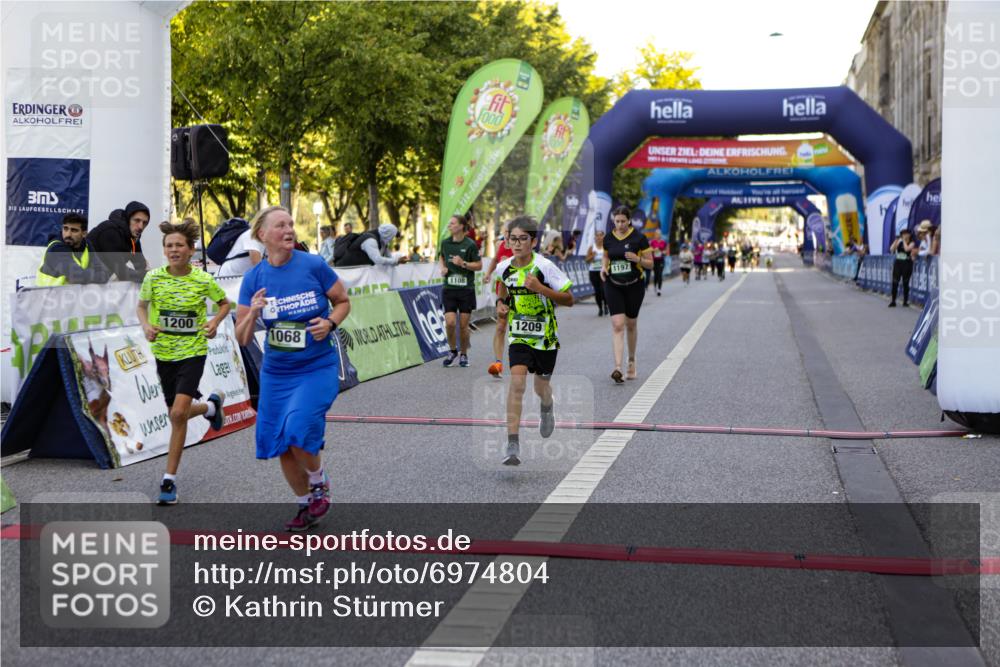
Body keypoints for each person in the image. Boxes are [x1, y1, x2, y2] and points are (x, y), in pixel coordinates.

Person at [234, 206, 351, 532]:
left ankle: (319, 482)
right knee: (280, 442)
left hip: (317, 365)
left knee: (298, 425)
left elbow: (343, 301)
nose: (289, 230)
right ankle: (306, 504)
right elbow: (241, 338)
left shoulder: (313, 265)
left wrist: (328, 323)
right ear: (262, 235)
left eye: (290, 224)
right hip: (277, 371)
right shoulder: (253, 279)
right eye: (280, 225)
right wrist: (253, 313)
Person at [137, 220, 230, 505]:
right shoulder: (153, 278)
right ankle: (210, 407)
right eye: (169, 246)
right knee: (176, 413)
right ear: (164, 251)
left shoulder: (203, 279)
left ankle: (169, 480)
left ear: (191, 250)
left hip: (192, 352)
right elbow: (141, 306)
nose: (174, 250)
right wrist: (146, 326)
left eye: (179, 245)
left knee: (177, 414)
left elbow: (225, 303)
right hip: (164, 354)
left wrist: (214, 322)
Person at [494, 216, 573, 465]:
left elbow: (568, 299)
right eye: (512, 238)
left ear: (534, 241)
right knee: (517, 384)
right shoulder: (504, 267)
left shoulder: (545, 267)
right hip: (519, 336)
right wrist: (501, 304)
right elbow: (503, 289)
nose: (516, 244)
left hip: (545, 338)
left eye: (522, 239)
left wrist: (541, 289)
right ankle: (512, 443)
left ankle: (547, 405)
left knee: (540, 388)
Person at [602, 206, 653, 384]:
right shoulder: (608, 237)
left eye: (624, 221)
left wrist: (638, 259)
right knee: (617, 324)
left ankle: (631, 361)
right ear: (613, 221)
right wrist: (604, 267)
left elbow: (650, 264)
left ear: (629, 220)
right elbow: (606, 256)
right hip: (613, 284)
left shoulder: (639, 238)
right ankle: (617, 367)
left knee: (631, 324)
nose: (620, 224)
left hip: (634, 285)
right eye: (617, 221)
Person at [438, 214, 482, 368]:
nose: (449, 225)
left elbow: (479, 265)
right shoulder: (445, 243)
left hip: (466, 290)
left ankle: (464, 354)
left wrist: (463, 263)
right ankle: (452, 350)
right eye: (449, 223)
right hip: (449, 289)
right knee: (450, 323)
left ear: (461, 226)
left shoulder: (470, 244)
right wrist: (442, 268)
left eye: (452, 223)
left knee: (463, 326)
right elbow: (441, 257)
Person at [35, 213, 110, 286]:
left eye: (74, 230)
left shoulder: (87, 245)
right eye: (65, 228)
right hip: (47, 295)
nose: (68, 234)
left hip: (70, 295)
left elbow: (104, 273)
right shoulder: (56, 248)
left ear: (84, 234)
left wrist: (88, 275)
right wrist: (94, 276)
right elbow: (76, 276)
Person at [89, 201, 150, 282]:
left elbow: (141, 265)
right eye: (137, 220)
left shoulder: (133, 238)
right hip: (78, 281)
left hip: (98, 283)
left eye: (145, 223)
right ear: (128, 219)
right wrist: (149, 277)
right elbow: (122, 273)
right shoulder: (110, 231)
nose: (141, 227)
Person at [484, 221, 515, 377]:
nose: (508, 234)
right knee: (501, 327)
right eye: (506, 231)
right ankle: (498, 364)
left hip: (518, 292)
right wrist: (488, 273)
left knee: (517, 330)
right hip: (502, 291)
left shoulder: (520, 247)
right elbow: (495, 260)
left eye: (510, 231)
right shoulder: (500, 244)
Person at [335, 223, 409, 267]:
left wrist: (398, 260)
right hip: (346, 270)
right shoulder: (370, 240)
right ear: (388, 235)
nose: (392, 239)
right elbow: (378, 260)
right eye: (392, 237)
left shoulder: (382, 241)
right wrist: (397, 261)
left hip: (357, 272)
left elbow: (390, 258)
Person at [889, 228, 916, 307]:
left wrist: (904, 240)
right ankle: (893, 300)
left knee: (905, 282)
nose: (904, 235)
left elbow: (907, 249)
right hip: (898, 263)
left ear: (909, 234)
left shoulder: (912, 243)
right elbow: (891, 249)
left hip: (907, 263)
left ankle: (905, 301)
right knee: (895, 281)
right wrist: (896, 240)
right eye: (903, 234)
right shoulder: (899, 242)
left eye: (906, 233)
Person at [585, 229, 608, 315]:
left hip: (603, 271)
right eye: (597, 235)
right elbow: (586, 260)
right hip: (593, 272)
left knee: (603, 290)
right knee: (597, 291)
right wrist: (592, 256)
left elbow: (610, 258)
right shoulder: (592, 247)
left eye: (600, 235)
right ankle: (600, 308)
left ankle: (606, 305)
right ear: (595, 237)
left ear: (603, 237)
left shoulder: (606, 247)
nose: (599, 237)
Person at [649, 229, 667, 295]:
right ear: (655, 235)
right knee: (656, 275)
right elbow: (650, 249)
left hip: (661, 260)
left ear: (660, 235)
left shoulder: (663, 242)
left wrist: (663, 252)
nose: (658, 235)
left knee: (660, 274)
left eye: (659, 234)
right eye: (657, 234)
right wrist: (654, 249)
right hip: (654, 260)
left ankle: (659, 289)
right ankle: (655, 286)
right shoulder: (652, 242)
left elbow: (666, 251)